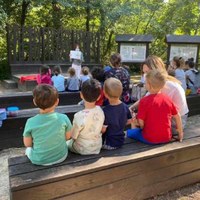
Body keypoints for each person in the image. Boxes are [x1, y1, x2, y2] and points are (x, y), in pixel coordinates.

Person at [130, 55, 189, 132]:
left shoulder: (169, 86)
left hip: (175, 124)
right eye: (144, 73)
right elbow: (145, 98)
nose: (145, 76)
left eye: (147, 72)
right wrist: (131, 108)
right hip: (174, 119)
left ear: (156, 71)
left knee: (138, 121)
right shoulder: (161, 83)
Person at [127, 70, 183, 144]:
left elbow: (141, 124)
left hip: (150, 139)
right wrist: (180, 132)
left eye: (145, 82)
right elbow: (177, 116)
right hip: (167, 137)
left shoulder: (144, 101)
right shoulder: (167, 99)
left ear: (149, 85)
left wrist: (135, 121)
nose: (144, 84)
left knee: (130, 132)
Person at [23, 84, 72, 165]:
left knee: (28, 150)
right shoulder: (63, 118)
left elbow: (27, 144)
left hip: (39, 160)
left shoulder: (30, 122)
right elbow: (68, 137)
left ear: (34, 102)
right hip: (61, 157)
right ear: (57, 101)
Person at [67, 79, 105, 155]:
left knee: (67, 143)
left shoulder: (79, 115)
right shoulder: (100, 110)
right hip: (97, 146)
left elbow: (74, 136)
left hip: (82, 148)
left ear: (81, 95)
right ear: (99, 97)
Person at [102, 77, 133, 150]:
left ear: (105, 94)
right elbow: (129, 121)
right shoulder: (125, 107)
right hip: (120, 141)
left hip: (109, 143)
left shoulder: (105, 110)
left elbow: (103, 130)